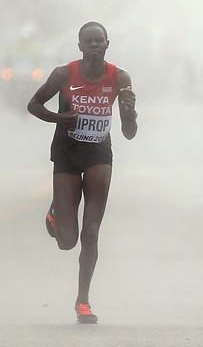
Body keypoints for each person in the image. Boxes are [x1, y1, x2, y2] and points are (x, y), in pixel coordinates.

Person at [27, 21, 138, 324]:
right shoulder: (64, 73)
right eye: (87, 41)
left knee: (91, 233)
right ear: (79, 46)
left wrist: (129, 111)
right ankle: (56, 211)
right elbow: (33, 104)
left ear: (106, 44)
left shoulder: (120, 77)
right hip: (66, 152)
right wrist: (59, 117)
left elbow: (129, 133)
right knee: (67, 240)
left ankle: (83, 301)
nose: (93, 45)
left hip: (99, 154)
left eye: (98, 40)